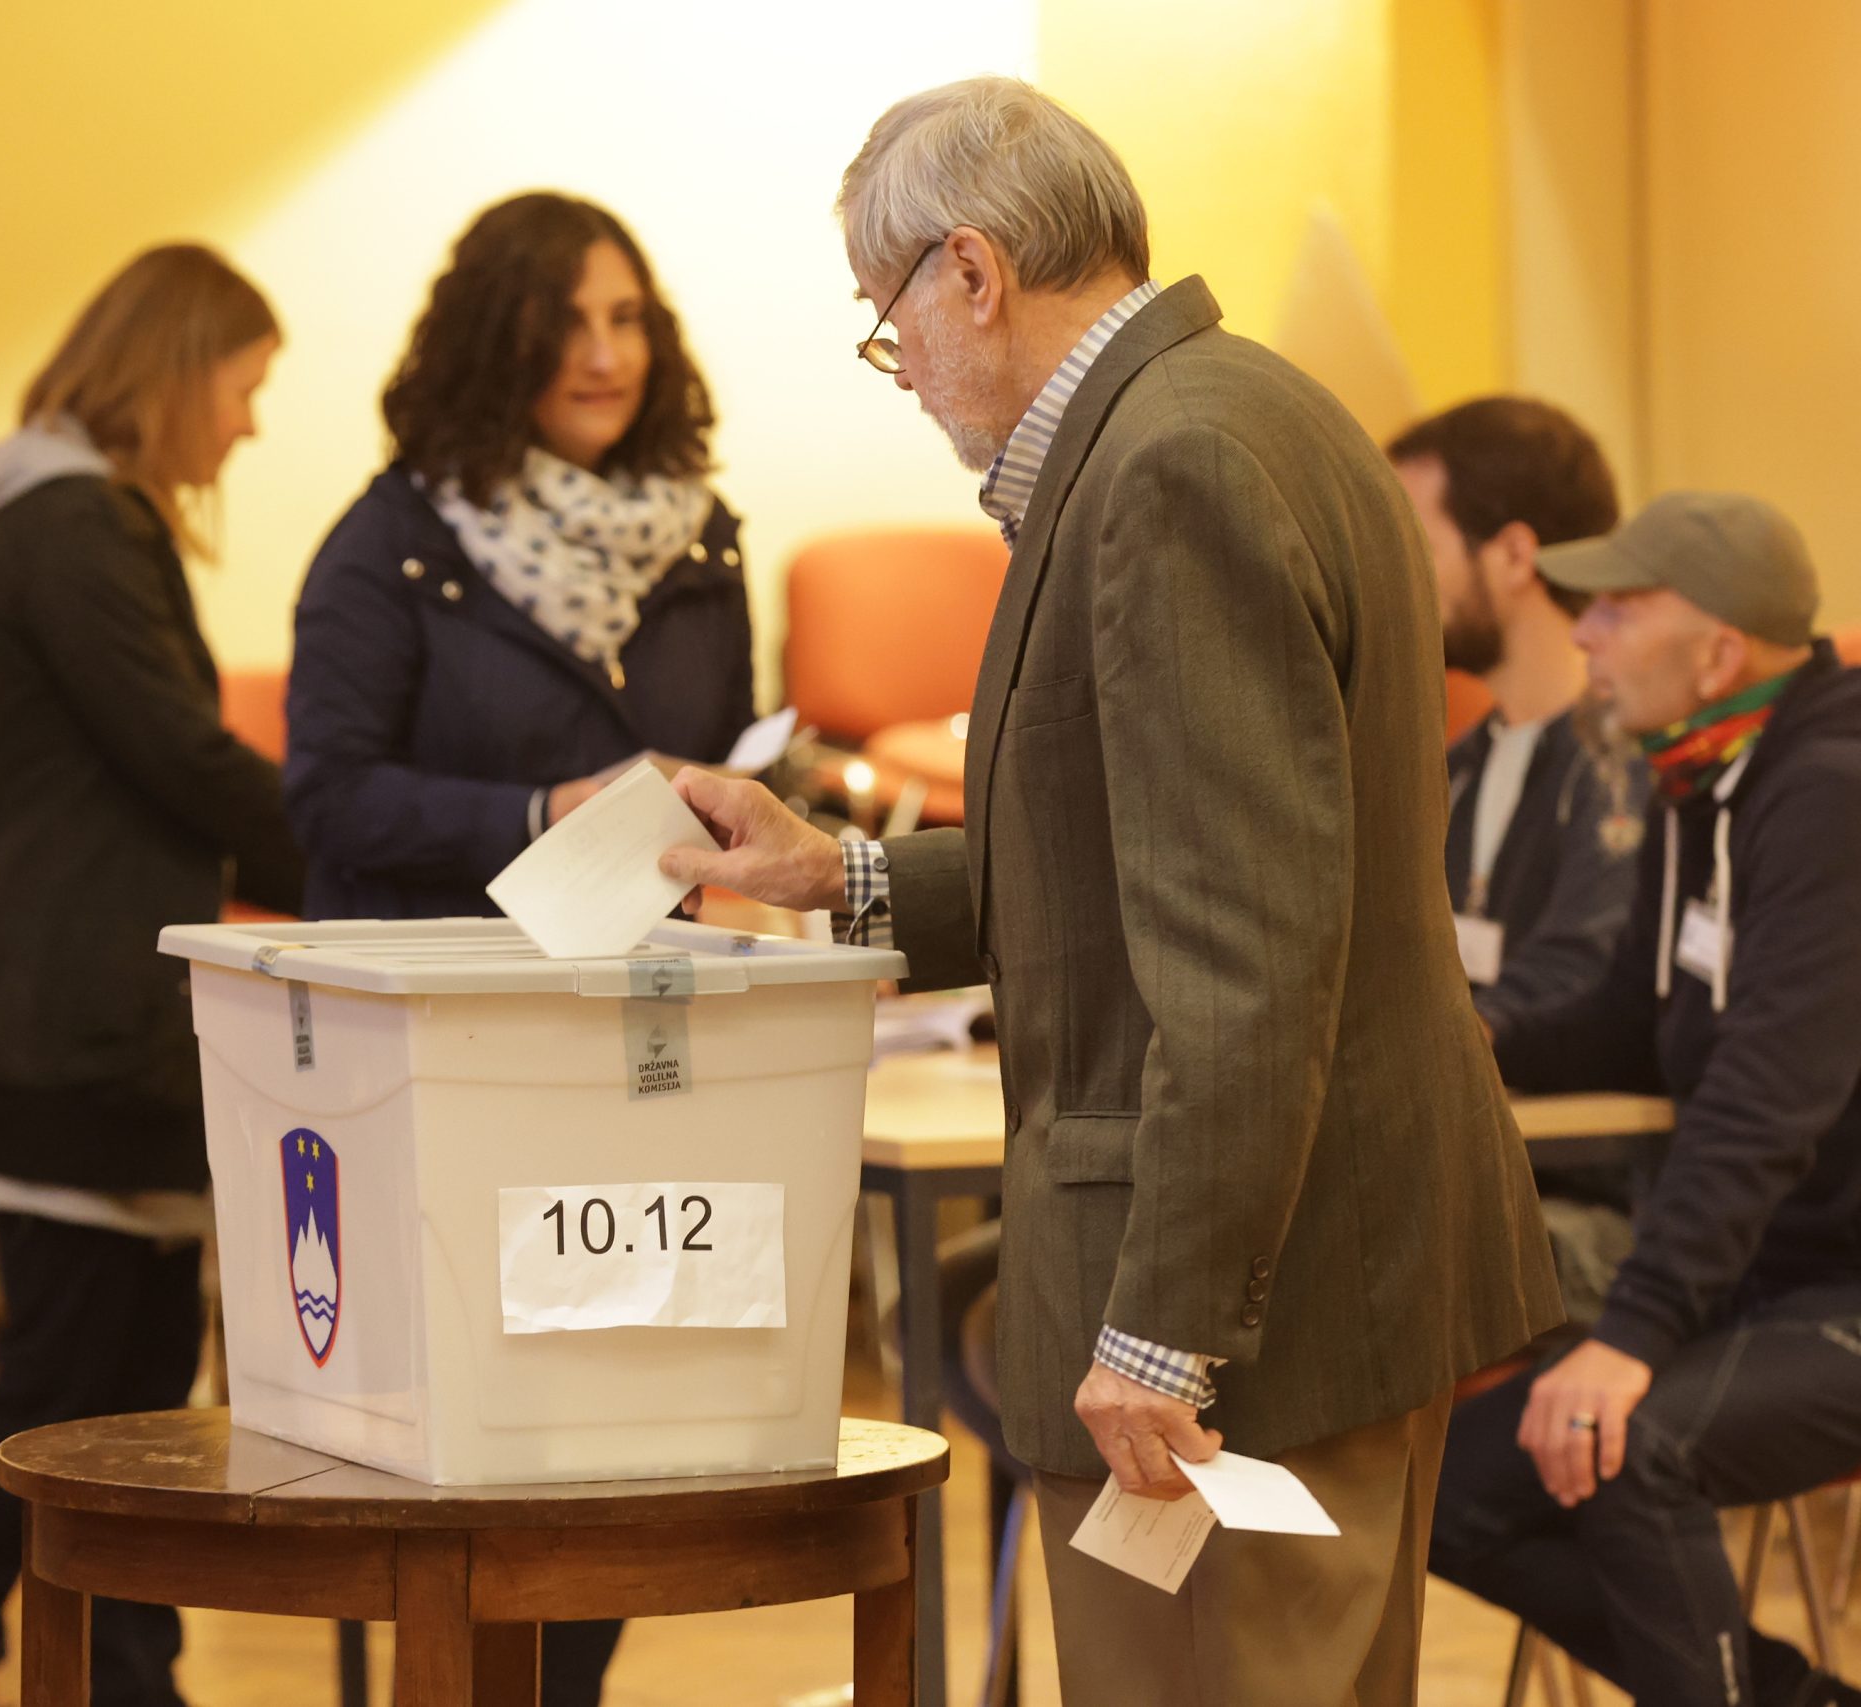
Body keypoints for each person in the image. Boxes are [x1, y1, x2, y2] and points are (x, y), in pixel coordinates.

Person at [659, 77, 1559, 1705]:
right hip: (1334, 1263)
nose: (906, 368)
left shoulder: (1168, 468)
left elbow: (1245, 951)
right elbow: (1127, 849)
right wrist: (832, 870)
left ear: (974, 272)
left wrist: (1167, 1329)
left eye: (891, 321)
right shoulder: (1238, 410)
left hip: (1249, 1314)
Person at [0, 245, 305, 1707]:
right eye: (242, 388)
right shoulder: (69, 525)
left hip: (83, 1006)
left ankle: (128, 1669)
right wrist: (365, 878)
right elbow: (175, 753)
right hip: (56, 1013)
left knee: (130, 1387)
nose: (247, 427)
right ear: (173, 367)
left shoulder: (72, 515)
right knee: (66, 1386)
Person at [1430, 493, 1861, 1707]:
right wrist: (1460, 1045)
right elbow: (1625, 1018)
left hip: (1839, 1295)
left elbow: (1770, 1096)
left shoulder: (1827, 792)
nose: (1587, 634)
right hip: (1780, 1285)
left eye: (1619, 607)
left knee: (1620, 1447)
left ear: (1717, 653)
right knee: (1447, 1495)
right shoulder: (1704, 776)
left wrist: (1630, 1335)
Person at [285, 191, 754, 932]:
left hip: (646, 990)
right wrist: (541, 813)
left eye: (626, 319)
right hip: (444, 989)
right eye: (565, 323)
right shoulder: (393, 542)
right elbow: (329, 799)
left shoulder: (702, 534)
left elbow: (723, 747)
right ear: (490, 342)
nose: (606, 357)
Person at [1388, 397, 1649, 1331]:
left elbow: (1584, 978)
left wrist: (1408, 1047)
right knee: (1000, 1295)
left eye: (1416, 538)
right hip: (1450, 1162)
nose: (1396, 573)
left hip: (1581, 1195)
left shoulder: (1628, 763)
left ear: (1512, 555)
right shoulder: (1452, 760)